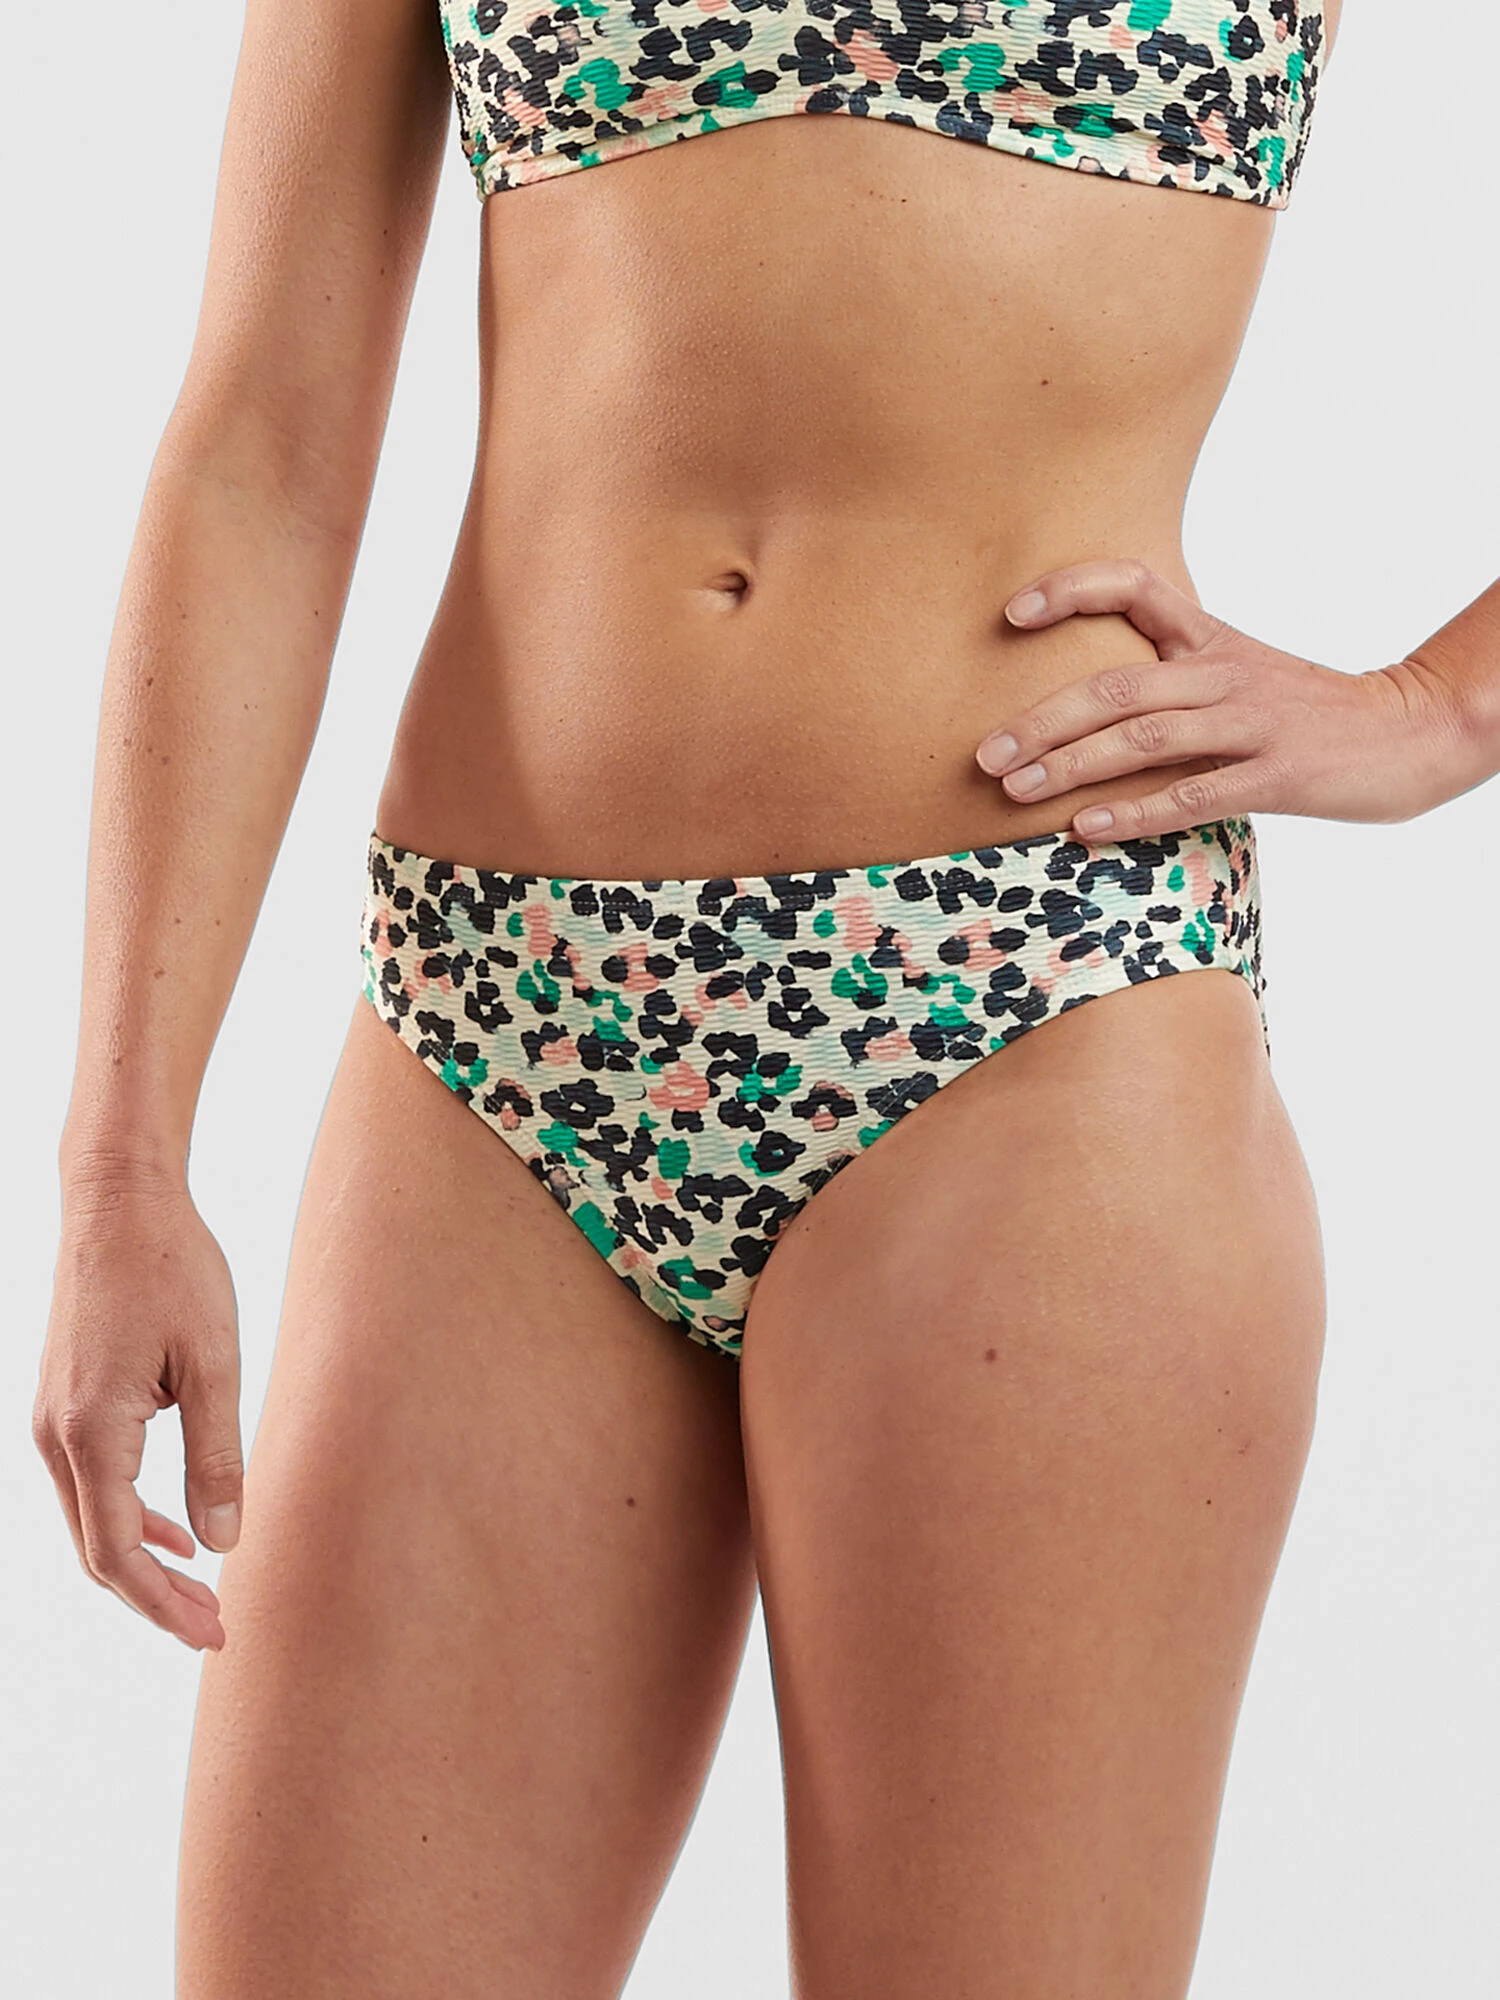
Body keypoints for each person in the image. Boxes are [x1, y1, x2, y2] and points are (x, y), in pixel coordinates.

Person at [30, 0, 1500, 1991]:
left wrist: (1433, 710)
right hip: (492, 1024)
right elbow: (260, 446)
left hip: (1032, 1005)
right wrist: (120, 1157)